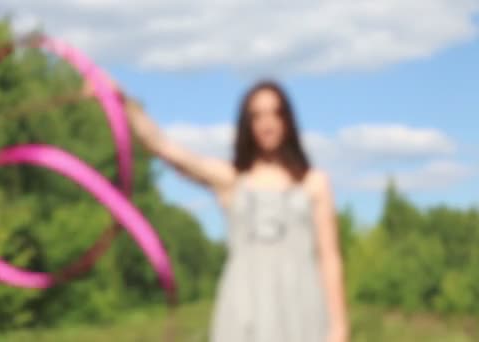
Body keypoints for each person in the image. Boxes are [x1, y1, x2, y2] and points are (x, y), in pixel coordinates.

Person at [85, 79, 349, 342]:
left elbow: (330, 259)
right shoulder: (232, 180)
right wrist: (124, 103)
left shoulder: (314, 183)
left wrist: (338, 327)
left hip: (301, 311)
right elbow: (163, 147)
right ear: (248, 124)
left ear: (287, 120)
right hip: (245, 311)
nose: (267, 124)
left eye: (275, 113)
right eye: (257, 116)